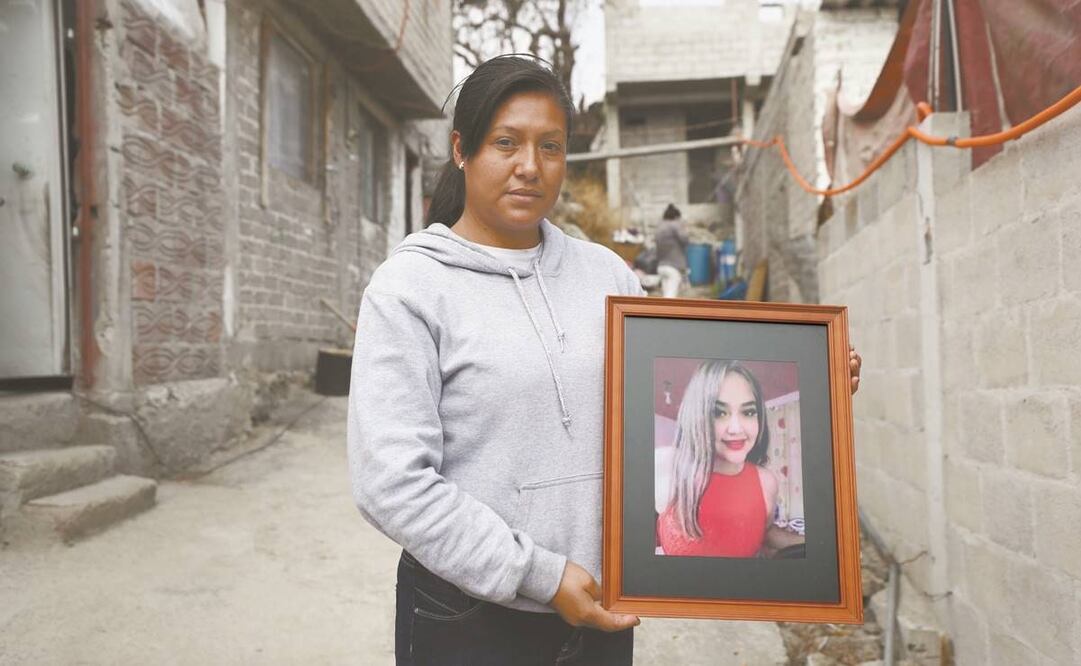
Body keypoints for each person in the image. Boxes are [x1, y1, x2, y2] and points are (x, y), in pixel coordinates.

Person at [347, 55, 863, 666]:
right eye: (505, 143)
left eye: (552, 147)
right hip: (468, 616)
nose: (529, 168)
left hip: (602, 608)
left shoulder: (606, 275)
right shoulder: (410, 288)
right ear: (462, 149)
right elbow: (391, 484)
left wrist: (818, 374)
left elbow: (666, 398)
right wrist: (536, 574)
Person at [655, 361, 800, 558]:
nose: (736, 428)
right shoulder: (664, 465)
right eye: (719, 412)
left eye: (748, 412)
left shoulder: (766, 482)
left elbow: (763, 533)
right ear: (698, 415)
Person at [653, 203, 688, 297]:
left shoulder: (659, 227)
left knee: (666, 295)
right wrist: (684, 226)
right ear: (676, 216)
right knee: (671, 296)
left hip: (661, 266)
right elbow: (685, 240)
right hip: (673, 266)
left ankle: (662, 311)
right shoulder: (675, 226)